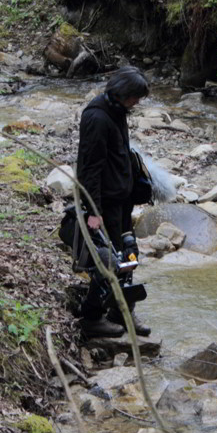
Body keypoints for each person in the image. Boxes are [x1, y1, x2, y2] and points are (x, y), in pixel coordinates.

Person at [75, 66, 151, 338]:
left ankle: (121, 311)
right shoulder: (97, 117)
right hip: (104, 205)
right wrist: (93, 211)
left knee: (129, 256)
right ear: (122, 93)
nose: (138, 102)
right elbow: (89, 169)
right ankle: (92, 317)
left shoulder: (118, 111)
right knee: (109, 261)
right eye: (136, 97)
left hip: (121, 200)